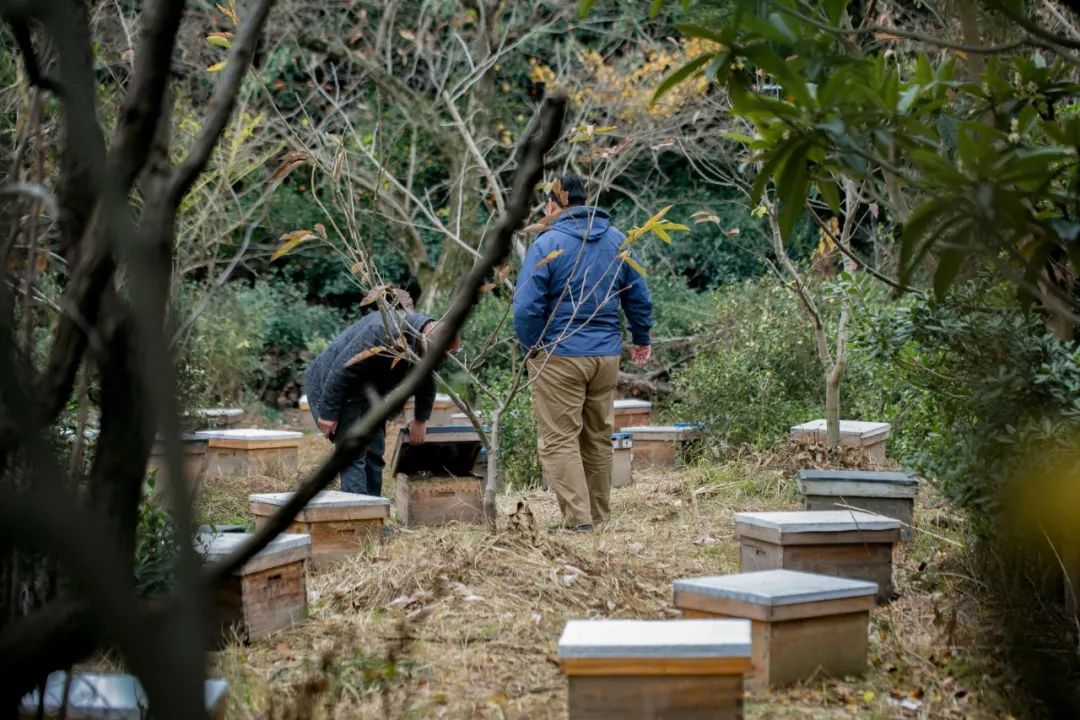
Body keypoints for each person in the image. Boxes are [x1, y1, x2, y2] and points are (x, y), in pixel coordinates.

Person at [513, 175, 652, 532]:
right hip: (606, 355)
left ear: (552, 205)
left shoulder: (547, 243)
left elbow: (526, 307)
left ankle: (578, 521)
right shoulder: (617, 239)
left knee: (559, 439)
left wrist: (534, 347)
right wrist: (640, 337)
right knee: (597, 437)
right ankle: (599, 517)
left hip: (560, 353)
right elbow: (638, 294)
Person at [304, 310, 460, 496]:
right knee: (353, 453)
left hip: (370, 391)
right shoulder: (382, 332)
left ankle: (373, 508)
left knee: (374, 450)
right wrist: (328, 411)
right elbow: (342, 369)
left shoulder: (426, 336)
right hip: (336, 385)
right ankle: (358, 511)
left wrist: (421, 419)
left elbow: (426, 377)